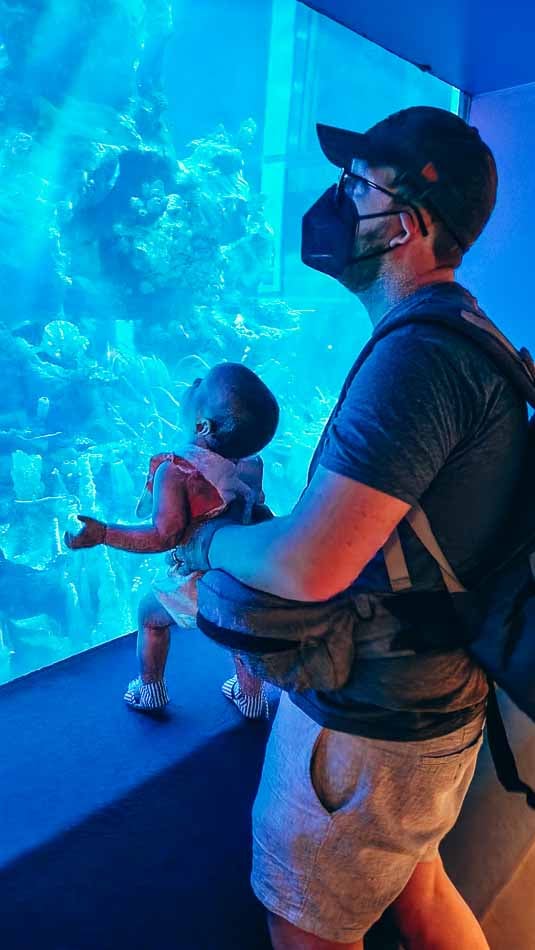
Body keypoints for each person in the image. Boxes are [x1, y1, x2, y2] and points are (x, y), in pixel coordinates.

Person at [176, 107, 514, 949]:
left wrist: (209, 541)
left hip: (370, 722)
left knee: (307, 925)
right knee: (419, 887)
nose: (336, 200)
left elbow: (311, 567)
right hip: (433, 703)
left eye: (356, 185)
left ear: (406, 224)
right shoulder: (468, 337)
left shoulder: (418, 360)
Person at [64, 362, 279, 719]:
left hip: (200, 575)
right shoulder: (251, 461)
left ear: (203, 426)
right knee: (237, 626)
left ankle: (150, 690)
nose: (193, 383)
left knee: (149, 616)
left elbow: (164, 535)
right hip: (243, 566)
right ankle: (251, 697)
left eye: (200, 387)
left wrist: (105, 534)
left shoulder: (178, 471)